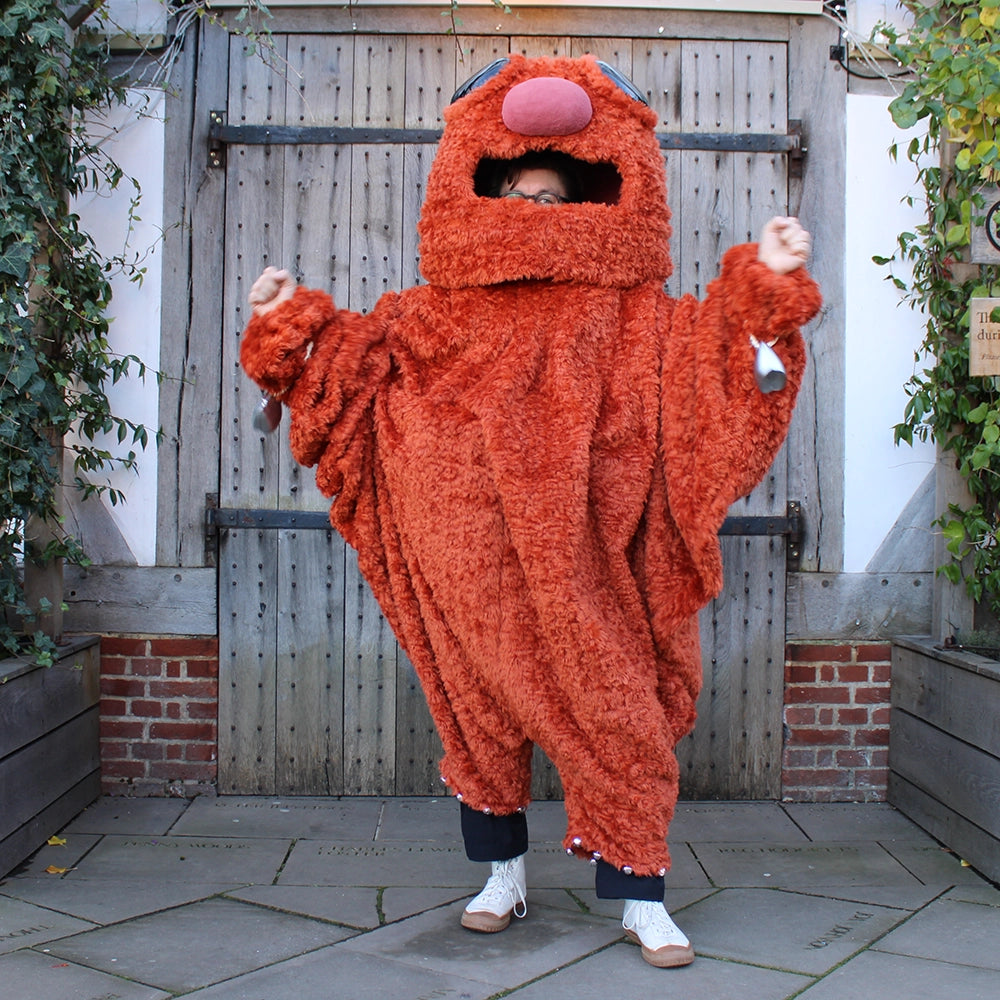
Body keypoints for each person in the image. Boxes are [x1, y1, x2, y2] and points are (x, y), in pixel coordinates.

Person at [241, 54, 821, 969]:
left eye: (555, 200)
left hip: (588, 566)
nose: (533, 218)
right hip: (466, 563)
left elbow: (711, 364)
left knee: (617, 709)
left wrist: (768, 288)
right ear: (482, 190)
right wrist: (291, 327)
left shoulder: (636, 317)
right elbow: (352, 376)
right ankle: (501, 877)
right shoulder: (431, 313)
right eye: (517, 196)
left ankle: (641, 895)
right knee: (472, 715)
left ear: (597, 194)